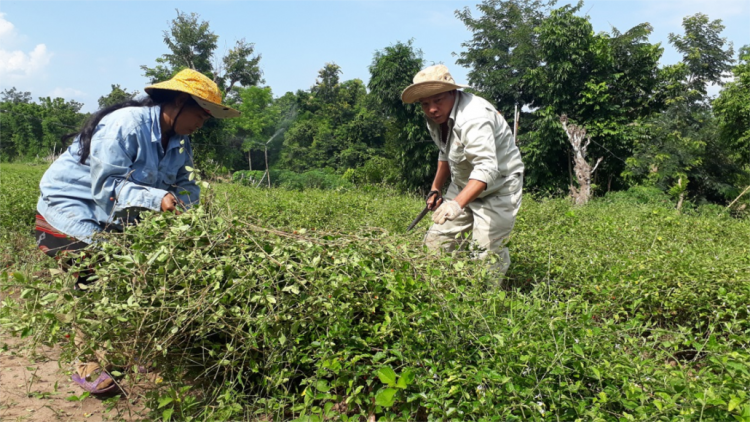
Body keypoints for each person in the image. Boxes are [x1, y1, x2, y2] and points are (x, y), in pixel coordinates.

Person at [35, 68, 240, 394]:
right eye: (200, 114)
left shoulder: (179, 141)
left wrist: (191, 212)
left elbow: (186, 184)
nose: (201, 123)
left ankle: (128, 353)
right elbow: (107, 189)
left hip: (107, 218)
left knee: (144, 275)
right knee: (97, 280)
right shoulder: (126, 125)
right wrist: (159, 199)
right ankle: (89, 367)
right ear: (179, 101)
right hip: (68, 213)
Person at [401, 64, 524, 275]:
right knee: (435, 245)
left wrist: (456, 205)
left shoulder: (474, 117)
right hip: (463, 184)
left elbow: (486, 168)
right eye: (425, 103)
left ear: (453, 92)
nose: (431, 109)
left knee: (485, 255)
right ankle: (440, 292)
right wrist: (436, 189)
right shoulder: (436, 118)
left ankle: (486, 303)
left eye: (437, 100)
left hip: (499, 187)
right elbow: (445, 152)